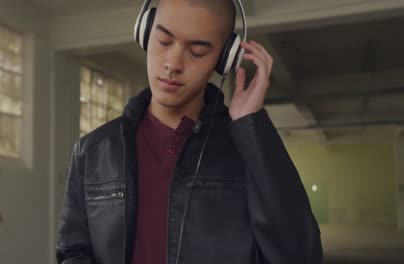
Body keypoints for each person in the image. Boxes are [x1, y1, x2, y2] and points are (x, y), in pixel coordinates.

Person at [56, 0, 323, 263]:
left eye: (196, 51)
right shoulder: (91, 151)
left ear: (223, 60)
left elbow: (301, 255)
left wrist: (251, 124)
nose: (173, 63)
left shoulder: (248, 150)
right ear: (145, 33)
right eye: (164, 41)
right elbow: (73, 252)